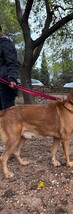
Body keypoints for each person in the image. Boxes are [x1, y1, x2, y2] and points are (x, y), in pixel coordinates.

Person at [0, 24, 20, 152]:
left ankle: (9, 146)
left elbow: (12, 63)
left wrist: (12, 79)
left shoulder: (6, 44)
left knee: (8, 118)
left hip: (4, 87)